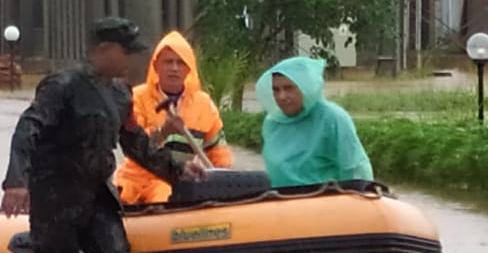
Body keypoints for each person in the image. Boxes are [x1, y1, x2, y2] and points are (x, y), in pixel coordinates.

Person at [1, 17, 207, 253]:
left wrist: (177, 168)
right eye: (127, 52)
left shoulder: (121, 94)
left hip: (97, 195)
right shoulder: (63, 85)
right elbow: (28, 128)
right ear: (105, 49)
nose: (133, 60)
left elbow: (136, 143)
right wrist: (16, 181)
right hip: (55, 197)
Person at [113, 30, 233, 204]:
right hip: (134, 180)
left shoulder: (204, 105)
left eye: (180, 63)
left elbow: (219, 154)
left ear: (188, 69)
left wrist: (224, 184)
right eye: (168, 62)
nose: (174, 68)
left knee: (166, 193)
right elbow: (135, 146)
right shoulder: (136, 98)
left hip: (177, 180)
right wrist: (164, 132)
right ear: (156, 66)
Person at [254, 55, 373, 187]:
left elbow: (355, 169)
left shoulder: (332, 118)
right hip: (281, 201)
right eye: (276, 90)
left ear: (306, 87)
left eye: (289, 88)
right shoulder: (273, 122)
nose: (281, 96)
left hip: (322, 202)